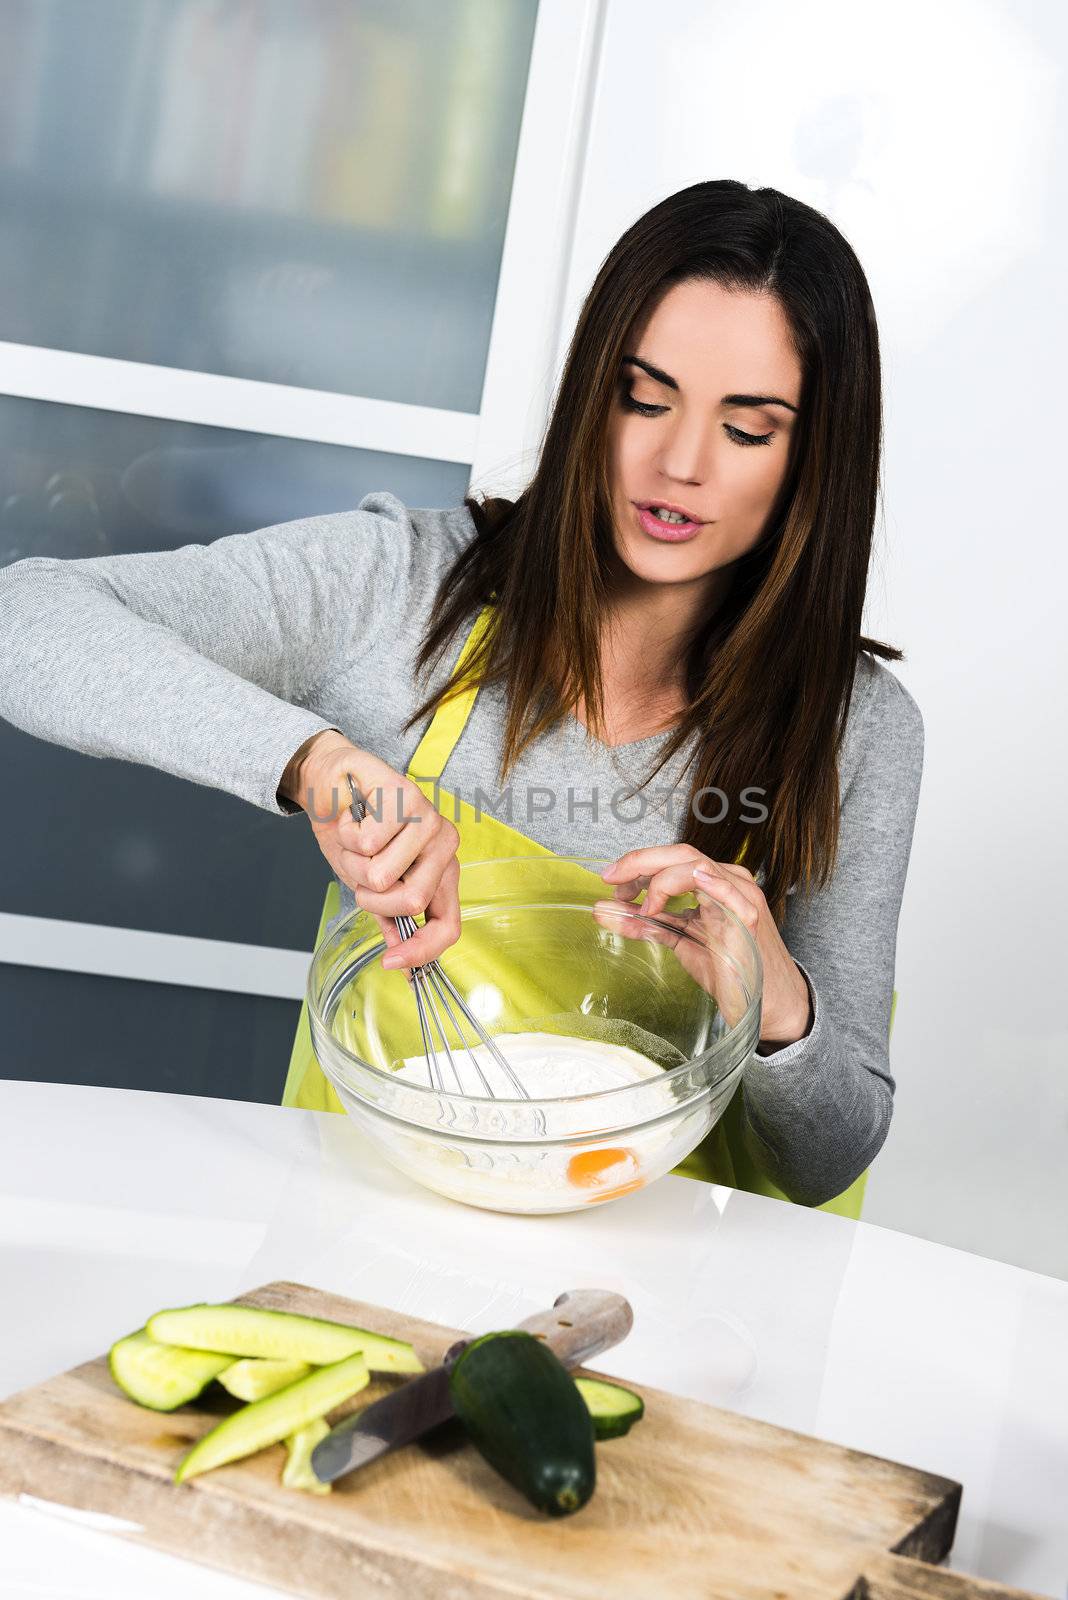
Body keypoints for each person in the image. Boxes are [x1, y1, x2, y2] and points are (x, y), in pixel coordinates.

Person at [0, 180, 923, 1211]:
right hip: (362, 1261)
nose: (678, 461)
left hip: (663, 1323)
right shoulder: (402, 590)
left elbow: (829, 1154)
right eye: (645, 398)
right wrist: (317, 764)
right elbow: (25, 621)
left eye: (748, 428)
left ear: (813, 460)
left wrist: (777, 1001)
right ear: (591, 395)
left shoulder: (859, 731)